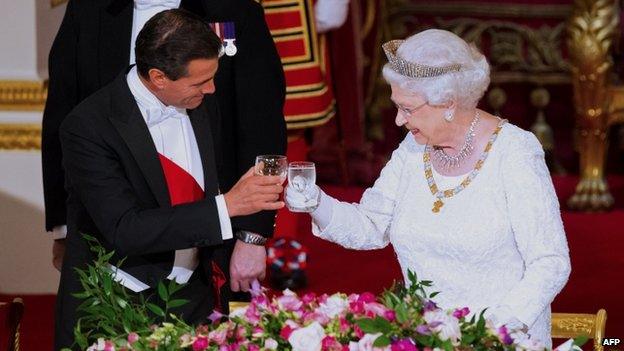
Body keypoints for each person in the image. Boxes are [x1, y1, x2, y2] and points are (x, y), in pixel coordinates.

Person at [285, 29, 571, 346]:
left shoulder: (515, 152)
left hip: (500, 340)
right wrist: (315, 201)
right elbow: (371, 226)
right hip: (422, 338)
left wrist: (487, 333)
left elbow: (550, 262)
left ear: (448, 103)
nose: (397, 120)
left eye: (407, 108)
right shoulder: (413, 148)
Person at [55, 10, 285, 350]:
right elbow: (126, 229)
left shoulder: (199, 99)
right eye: (200, 82)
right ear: (158, 77)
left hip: (196, 296)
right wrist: (229, 206)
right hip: (118, 300)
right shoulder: (88, 127)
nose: (211, 89)